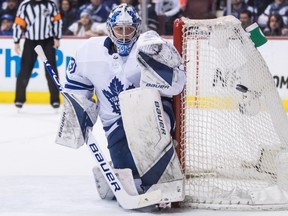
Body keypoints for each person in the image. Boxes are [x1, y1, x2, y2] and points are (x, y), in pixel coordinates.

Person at [56, 3, 186, 204]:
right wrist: (78, 115)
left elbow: (176, 85)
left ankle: (164, 181)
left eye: (129, 30)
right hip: (115, 122)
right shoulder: (89, 52)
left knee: (152, 169)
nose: (124, 35)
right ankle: (117, 175)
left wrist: (157, 58)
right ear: (110, 29)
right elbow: (77, 90)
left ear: (138, 29)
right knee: (131, 174)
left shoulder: (149, 45)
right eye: (119, 29)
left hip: (154, 113)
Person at [13, 0, 62, 109]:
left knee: (51, 70)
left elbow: (57, 20)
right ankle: (19, 99)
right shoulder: (25, 4)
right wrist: (16, 41)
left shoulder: (51, 4)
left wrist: (57, 38)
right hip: (31, 41)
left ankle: (55, 100)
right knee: (24, 70)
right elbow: (18, 23)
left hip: (47, 41)